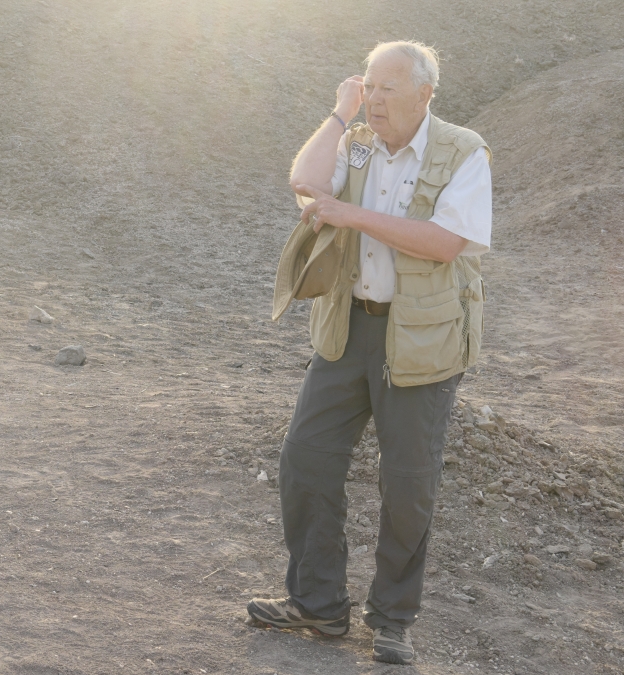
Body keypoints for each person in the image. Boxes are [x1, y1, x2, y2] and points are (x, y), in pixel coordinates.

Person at [249, 41, 492, 665]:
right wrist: (339, 112)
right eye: (370, 86)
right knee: (306, 459)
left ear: (425, 94)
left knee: (408, 484)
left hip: (423, 339)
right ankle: (319, 605)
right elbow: (304, 180)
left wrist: (351, 216)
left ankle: (392, 620)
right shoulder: (356, 141)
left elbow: (445, 243)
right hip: (347, 328)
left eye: (389, 88)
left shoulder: (463, 150)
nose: (376, 99)